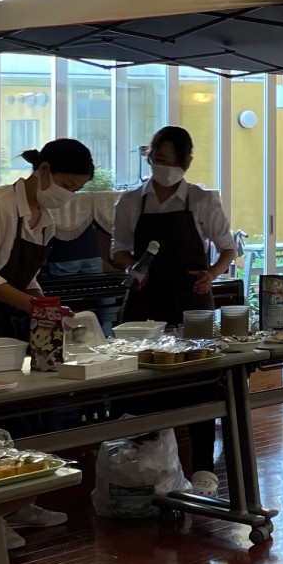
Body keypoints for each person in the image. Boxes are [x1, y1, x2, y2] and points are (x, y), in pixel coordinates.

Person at [0, 138, 97, 547]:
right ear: (43, 171)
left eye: (77, 189)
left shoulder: (45, 218)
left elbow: (27, 277)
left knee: (17, 412)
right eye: (67, 184)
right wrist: (32, 306)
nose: (69, 195)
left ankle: (19, 502)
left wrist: (47, 307)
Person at [111, 126, 236, 491]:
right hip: (144, 301)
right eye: (156, 158)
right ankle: (142, 468)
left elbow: (228, 248)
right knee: (142, 383)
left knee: (200, 382)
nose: (161, 166)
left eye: (169, 160)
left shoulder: (201, 199)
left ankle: (203, 469)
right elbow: (118, 250)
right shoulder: (131, 201)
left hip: (191, 302)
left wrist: (211, 275)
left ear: (186, 162)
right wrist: (132, 268)